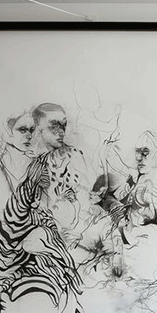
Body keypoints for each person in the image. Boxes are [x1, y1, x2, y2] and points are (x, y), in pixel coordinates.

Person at [32, 102, 91, 238]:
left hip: (78, 230)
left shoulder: (76, 156)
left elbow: (89, 198)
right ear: (38, 128)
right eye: (54, 126)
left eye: (64, 125)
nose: (62, 132)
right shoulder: (31, 162)